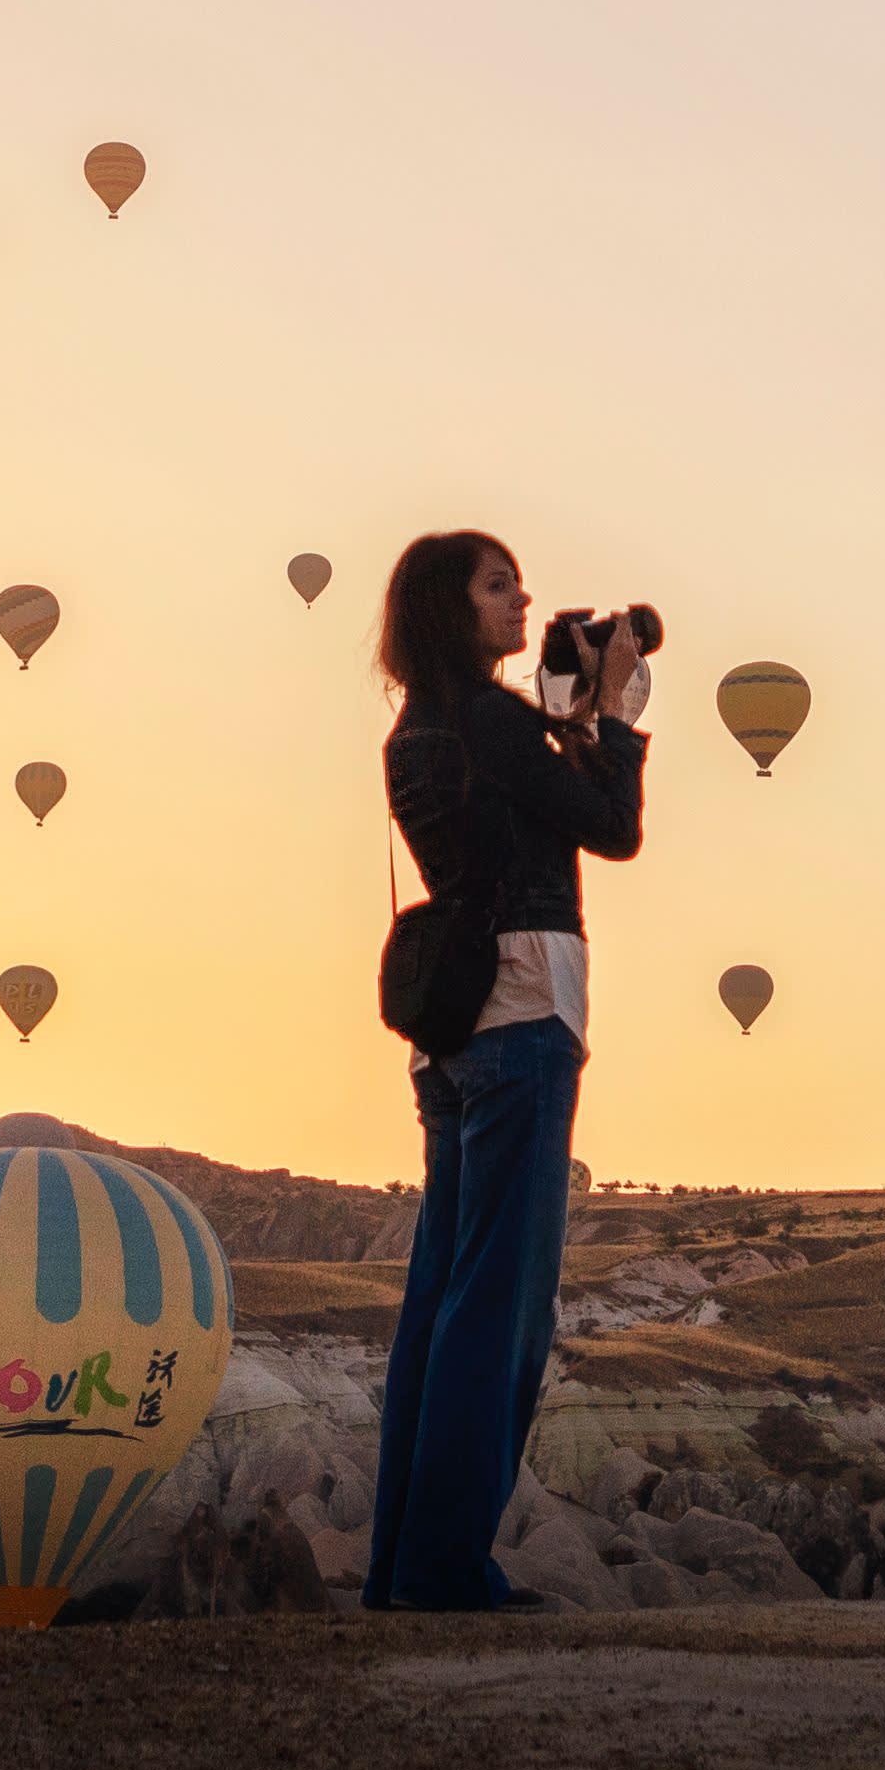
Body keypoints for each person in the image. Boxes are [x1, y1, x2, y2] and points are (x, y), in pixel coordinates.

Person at [361, 524, 648, 1612]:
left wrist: (563, 722)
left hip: (451, 1038)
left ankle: (401, 1565)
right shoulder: (489, 719)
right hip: (526, 1017)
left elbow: (516, 816)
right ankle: (445, 1570)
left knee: (440, 1299)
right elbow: (611, 828)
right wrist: (610, 715)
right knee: (503, 1307)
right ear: (450, 606)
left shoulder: (419, 730)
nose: (524, 600)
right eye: (498, 585)